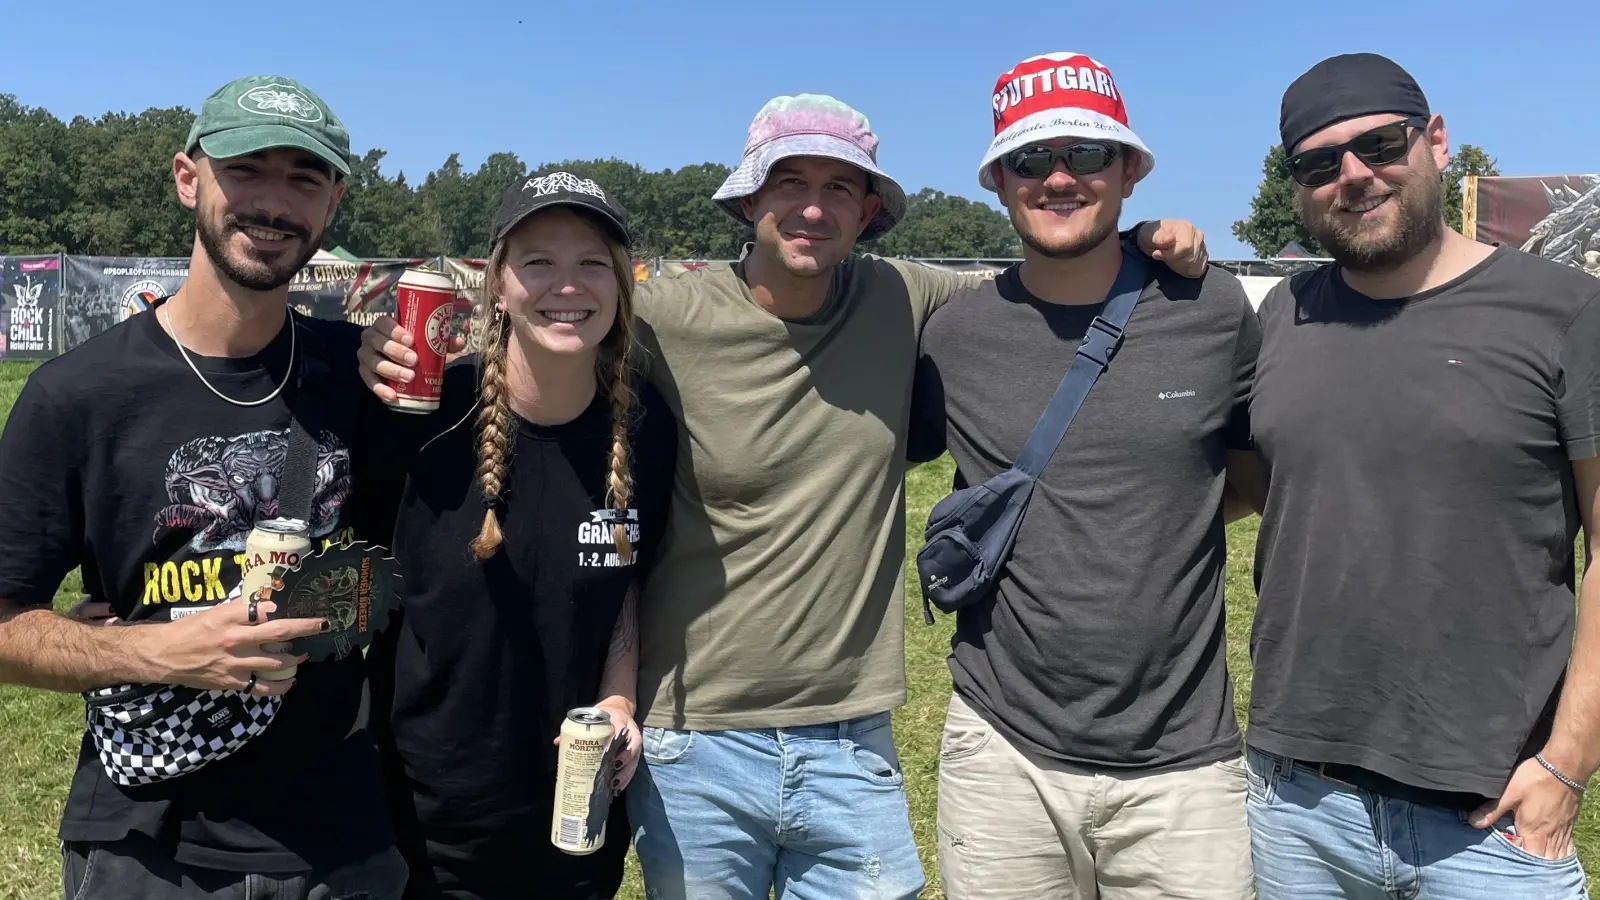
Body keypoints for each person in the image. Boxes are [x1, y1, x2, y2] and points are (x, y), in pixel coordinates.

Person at [359, 92, 1210, 899]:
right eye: (788, 182)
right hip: (693, 741)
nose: (813, 206)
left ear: (868, 212)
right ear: (745, 203)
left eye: (840, 187)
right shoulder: (659, 316)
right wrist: (385, 353)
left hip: (854, 741)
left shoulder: (906, 298)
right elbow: (549, 329)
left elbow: (1052, 277)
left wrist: (1143, 241)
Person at [0, 74, 407, 899]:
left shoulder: (363, 376)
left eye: (304, 178)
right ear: (189, 178)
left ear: (332, 204)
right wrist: (152, 650)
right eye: (247, 170)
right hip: (150, 843)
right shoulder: (78, 395)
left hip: (345, 843)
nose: (273, 203)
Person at [1238, 52, 1600, 899]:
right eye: (1320, 164)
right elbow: (1238, 489)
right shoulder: (1282, 318)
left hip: (1494, 815)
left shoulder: (1564, 311)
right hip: (1297, 799)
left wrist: (1569, 764)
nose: (1354, 176)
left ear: (1437, 140)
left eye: (1381, 144)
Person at [907, 52, 1260, 899]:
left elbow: (1248, 480)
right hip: (1001, 750)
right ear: (998, 179)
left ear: (1131, 171)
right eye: (1031, 159)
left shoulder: (1211, 311)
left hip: (1184, 761)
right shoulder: (953, 334)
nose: (1058, 178)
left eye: (1086, 155)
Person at [362, 168, 677, 900]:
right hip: (419, 824)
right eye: (538, 261)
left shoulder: (647, 429)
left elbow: (626, 584)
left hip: (574, 823)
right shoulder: (427, 415)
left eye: (592, 263)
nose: (568, 285)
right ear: (497, 285)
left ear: (621, 286)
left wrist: (621, 700)